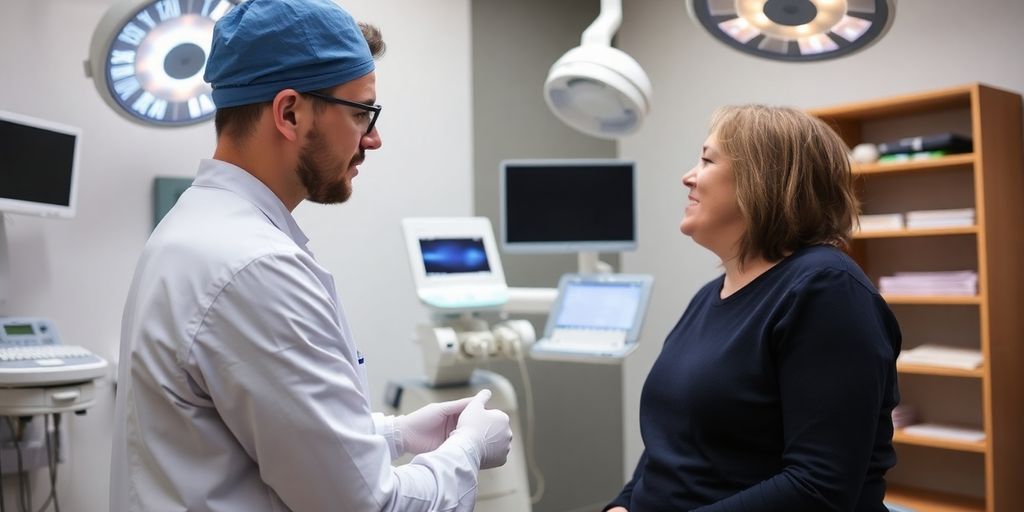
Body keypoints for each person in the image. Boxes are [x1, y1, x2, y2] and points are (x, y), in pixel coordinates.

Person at [109, 1, 512, 510]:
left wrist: (397, 436)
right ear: (290, 113)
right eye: (362, 113)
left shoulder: (195, 228)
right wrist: (468, 450)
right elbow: (370, 506)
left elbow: (265, 435)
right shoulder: (256, 267)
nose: (374, 138)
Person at [606, 105, 902, 512]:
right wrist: (622, 505)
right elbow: (672, 444)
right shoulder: (710, 295)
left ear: (761, 180)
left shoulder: (826, 290)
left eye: (707, 160)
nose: (688, 176)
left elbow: (818, 488)